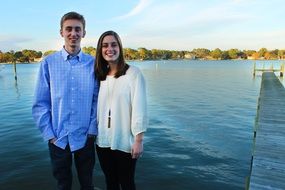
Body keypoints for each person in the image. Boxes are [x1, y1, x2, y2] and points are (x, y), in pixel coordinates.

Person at [32, 11, 98, 190]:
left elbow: (96, 100)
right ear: (61, 32)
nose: (73, 33)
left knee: (87, 184)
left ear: (84, 33)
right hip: (58, 138)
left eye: (78, 29)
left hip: (85, 137)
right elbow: (40, 103)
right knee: (63, 185)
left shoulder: (93, 64)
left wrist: (92, 130)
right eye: (68, 29)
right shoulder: (48, 63)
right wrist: (50, 135)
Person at [95, 30, 147, 190]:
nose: (109, 49)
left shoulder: (133, 74)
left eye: (113, 44)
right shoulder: (99, 76)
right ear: (100, 50)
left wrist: (138, 140)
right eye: (105, 45)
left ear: (120, 48)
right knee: (110, 181)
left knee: (127, 182)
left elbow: (140, 107)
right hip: (103, 140)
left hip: (125, 139)